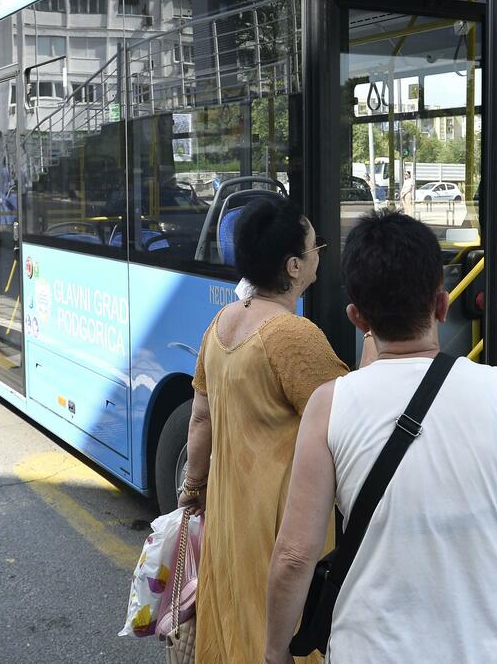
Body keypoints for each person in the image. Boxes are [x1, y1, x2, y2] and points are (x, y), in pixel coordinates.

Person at [263, 210, 497, 664]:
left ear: (357, 318)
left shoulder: (329, 406)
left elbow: (295, 556)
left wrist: (275, 652)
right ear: (442, 305)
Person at [179, 196, 349, 664]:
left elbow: (200, 418)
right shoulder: (293, 336)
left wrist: (192, 488)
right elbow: (350, 420)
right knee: (278, 630)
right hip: (280, 522)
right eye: (315, 247)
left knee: (234, 621)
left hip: (229, 512)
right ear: (294, 266)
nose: (319, 255)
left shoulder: (222, 322)